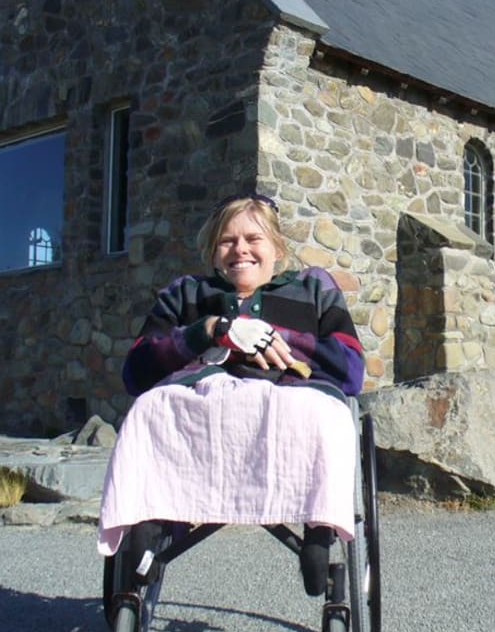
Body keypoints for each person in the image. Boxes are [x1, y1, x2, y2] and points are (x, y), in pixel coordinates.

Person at [97, 193, 364, 596]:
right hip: (199, 409)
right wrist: (208, 331)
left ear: (276, 246)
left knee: (329, 415)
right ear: (213, 251)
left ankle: (319, 527)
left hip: (289, 402)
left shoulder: (312, 287)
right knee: (147, 408)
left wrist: (279, 339)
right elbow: (136, 371)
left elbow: (351, 367)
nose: (240, 249)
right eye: (227, 240)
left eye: (253, 239)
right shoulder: (185, 293)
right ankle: (149, 519)